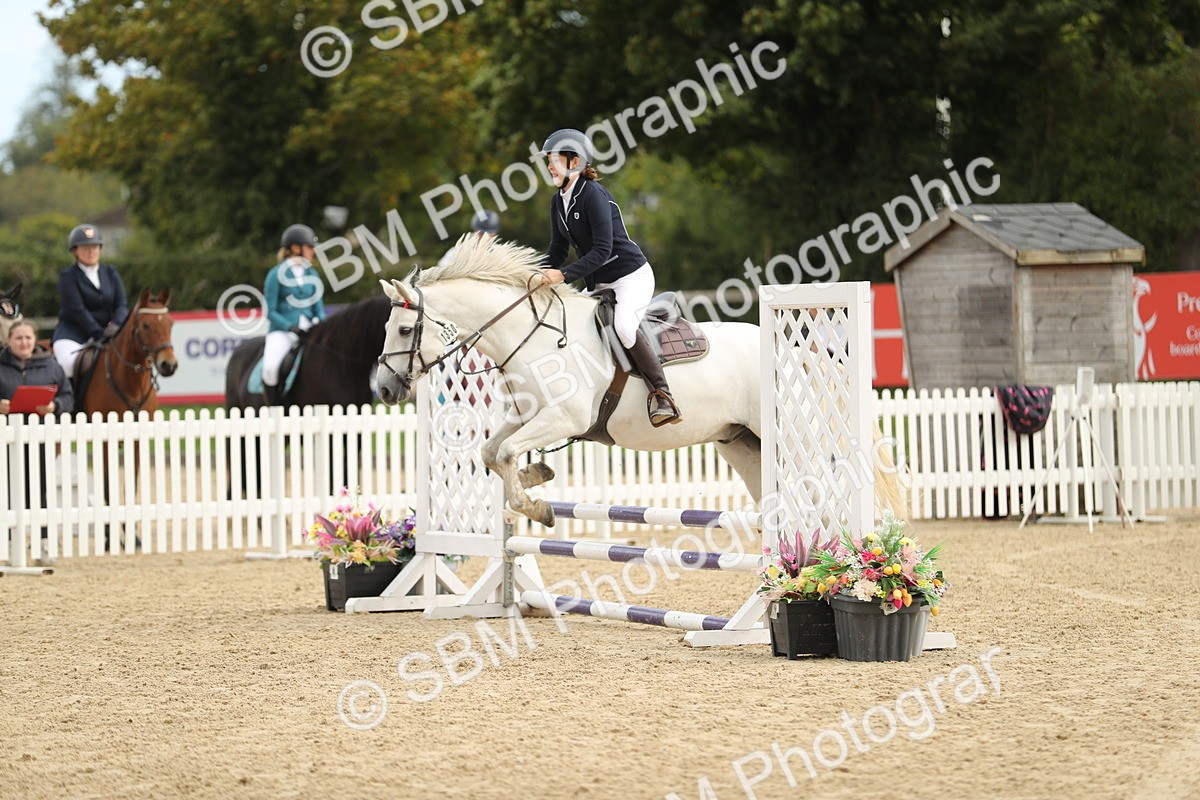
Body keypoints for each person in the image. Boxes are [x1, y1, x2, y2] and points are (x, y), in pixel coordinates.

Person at [536, 128, 681, 426]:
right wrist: (532, 272)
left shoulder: (593, 196)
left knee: (625, 326)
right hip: (600, 285)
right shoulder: (558, 201)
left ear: (574, 161)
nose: (549, 165)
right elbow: (557, 249)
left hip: (630, 277)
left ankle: (662, 394)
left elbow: (602, 250)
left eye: (553, 159)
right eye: (548, 160)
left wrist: (562, 275)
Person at [0, 321, 74, 565]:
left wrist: (55, 406)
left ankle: (43, 542)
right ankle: (10, 543)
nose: (24, 342)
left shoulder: (51, 366)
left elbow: (67, 396)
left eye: (28, 338)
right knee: (7, 491)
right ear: (9, 341)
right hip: (6, 441)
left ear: (34, 339)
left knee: (40, 489)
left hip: (40, 439)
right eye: (18, 338)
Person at [51, 224, 130, 379]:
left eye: (94, 246)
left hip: (108, 334)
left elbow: (121, 304)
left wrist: (117, 325)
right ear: (75, 251)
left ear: (100, 249)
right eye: (85, 248)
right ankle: (70, 402)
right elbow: (77, 310)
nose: (90, 251)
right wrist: (99, 333)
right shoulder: (68, 276)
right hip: (73, 335)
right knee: (68, 366)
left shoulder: (110, 272)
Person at [262, 223, 326, 405]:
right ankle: (274, 408)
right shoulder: (275, 274)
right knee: (270, 368)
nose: (313, 251)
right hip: (282, 332)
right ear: (295, 248)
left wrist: (322, 327)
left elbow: (318, 308)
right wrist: (290, 327)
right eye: (309, 247)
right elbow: (270, 311)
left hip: (309, 330)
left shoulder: (312, 274)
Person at [437, 209, 501, 268]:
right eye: (481, 233)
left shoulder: (500, 255)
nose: (485, 237)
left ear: (495, 233)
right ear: (475, 230)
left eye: (490, 234)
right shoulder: (456, 252)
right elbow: (441, 269)